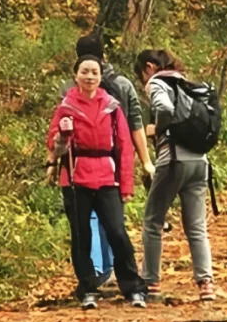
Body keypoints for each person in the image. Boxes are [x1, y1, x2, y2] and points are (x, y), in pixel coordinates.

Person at [47, 56, 147, 310]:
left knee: (117, 231)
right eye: (84, 72)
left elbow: (124, 147)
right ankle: (88, 287)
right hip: (75, 177)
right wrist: (62, 136)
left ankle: (133, 286)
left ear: (101, 76)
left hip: (107, 177)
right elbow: (54, 146)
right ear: (75, 75)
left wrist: (126, 185)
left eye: (94, 72)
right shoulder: (66, 106)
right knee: (81, 235)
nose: (89, 77)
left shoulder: (112, 107)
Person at [59, 33, 156, 287]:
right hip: (114, 162)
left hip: (79, 164)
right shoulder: (123, 84)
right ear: (106, 54)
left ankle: (99, 273)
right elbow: (136, 124)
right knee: (113, 223)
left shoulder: (67, 87)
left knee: (86, 223)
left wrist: (54, 161)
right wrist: (145, 161)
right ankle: (113, 271)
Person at [134, 48, 215, 302]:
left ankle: (151, 282)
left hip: (174, 161)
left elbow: (165, 109)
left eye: (141, 76)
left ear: (149, 67)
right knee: (196, 226)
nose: (143, 83)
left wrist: (155, 129)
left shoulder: (157, 83)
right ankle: (206, 284)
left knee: (152, 220)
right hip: (200, 162)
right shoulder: (185, 81)